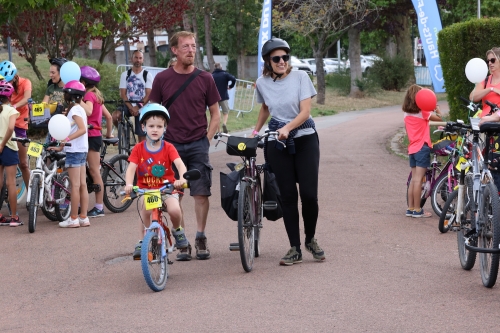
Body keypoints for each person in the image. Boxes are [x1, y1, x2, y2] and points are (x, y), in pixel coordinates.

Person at [250, 38, 324, 266]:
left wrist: (287, 128)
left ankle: (310, 239)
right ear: (268, 62)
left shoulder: (301, 77)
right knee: (288, 197)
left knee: (309, 195)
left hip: (304, 140)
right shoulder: (261, 83)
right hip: (278, 143)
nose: (282, 61)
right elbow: (265, 107)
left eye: (285, 57)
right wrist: (256, 131)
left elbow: (305, 112)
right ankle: (295, 248)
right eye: (276, 58)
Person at [149, 31, 220, 261]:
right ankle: (182, 239)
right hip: (171, 146)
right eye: (186, 46)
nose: (191, 50)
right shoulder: (162, 79)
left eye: (193, 46)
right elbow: (152, 113)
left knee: (201, 193)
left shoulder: (205, 78)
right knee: (173, 195)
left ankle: (200, 237)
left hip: (198, 142)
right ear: (175, 50)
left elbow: (216, 114)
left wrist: (206, 140)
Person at [124, 103, 189, 260]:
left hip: (167, 189)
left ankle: (178, 231)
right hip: (147, 190)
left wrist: (182, 179)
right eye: (151, 125)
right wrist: (128, 184)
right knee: (145, 209)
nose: (155, 129)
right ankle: (143, 239)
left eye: (159, 126)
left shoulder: (168, 147)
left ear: (165, 128)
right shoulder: (138, 148)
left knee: (174, 210)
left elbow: (180, 164)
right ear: (143, 127)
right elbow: (131, 168)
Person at [49, 80, 89, 228]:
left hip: (74, 150)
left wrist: (65, 140)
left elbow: (82, 129)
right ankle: (83, 217)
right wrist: (61, 147)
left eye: (66, 92)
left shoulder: (75, 111)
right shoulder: (79, 109)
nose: (64, 94)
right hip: (81, 149)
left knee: (75, 186)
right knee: (82, 185)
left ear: (71, 95)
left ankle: (73, 218)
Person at [403, 84, 442, 218]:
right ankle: (418, 209)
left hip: (412, 148)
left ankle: (411, 208)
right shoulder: (424, 112)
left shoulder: (406, 114)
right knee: (419, 180)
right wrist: (436, 108)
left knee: (414, 179)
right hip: (422, 147)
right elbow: (440, 118)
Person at [80, 66, 108, 218]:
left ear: (83, 82)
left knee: (94, 170)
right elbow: (108, 116)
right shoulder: (94, 94)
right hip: (91, 135)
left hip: (92, 135)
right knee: (86, 170)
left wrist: (77, 99)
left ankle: (99, 207)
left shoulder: (89, 96)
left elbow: (89, 111)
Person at [0, 61, 32, 189]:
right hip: (4, 124)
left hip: (19, 124)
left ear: (14, 77)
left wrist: (12, 107)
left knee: (23, 163)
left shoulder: (25, 82)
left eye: (9, 81)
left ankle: (31, 194)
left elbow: (27, 99)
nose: (6, 84)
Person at [474, 48, 500, 192]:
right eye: (488, 60)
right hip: (483, 124)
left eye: (493, 60)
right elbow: (474, 96)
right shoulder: (485, 80)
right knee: (480, 162)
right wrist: (490, 89)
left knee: (494, 162)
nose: (490, 63)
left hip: (497, 125)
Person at [0, 80, 22, 226]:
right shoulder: (11, 110)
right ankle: (14, 217)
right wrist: (2, 144)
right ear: (10, 96)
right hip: (8, 147)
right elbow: (11, 128)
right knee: (11, 182)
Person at [119, 50, 153, 142]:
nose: (138, 60)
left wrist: (137, 107)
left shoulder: (147, 75)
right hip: (128, 105)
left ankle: (141, 154)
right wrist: (131, 108)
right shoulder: (125, 75)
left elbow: (149, 94)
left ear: (143, 60)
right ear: (132, 59)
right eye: (136, 57)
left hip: (142, 107)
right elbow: (123, 94)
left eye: (140, 58)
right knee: (116, 116)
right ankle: (122, 133)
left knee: (142, 137)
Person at [212, 63, 236, 133]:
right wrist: (230, 86)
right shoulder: (225, 74)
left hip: (214, 98)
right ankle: (224, 123)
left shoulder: (212, 76)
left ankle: (218, 130)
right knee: (225, 112)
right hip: (223, 97)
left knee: (216, 114)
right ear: (221, 67)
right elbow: (233, 79)